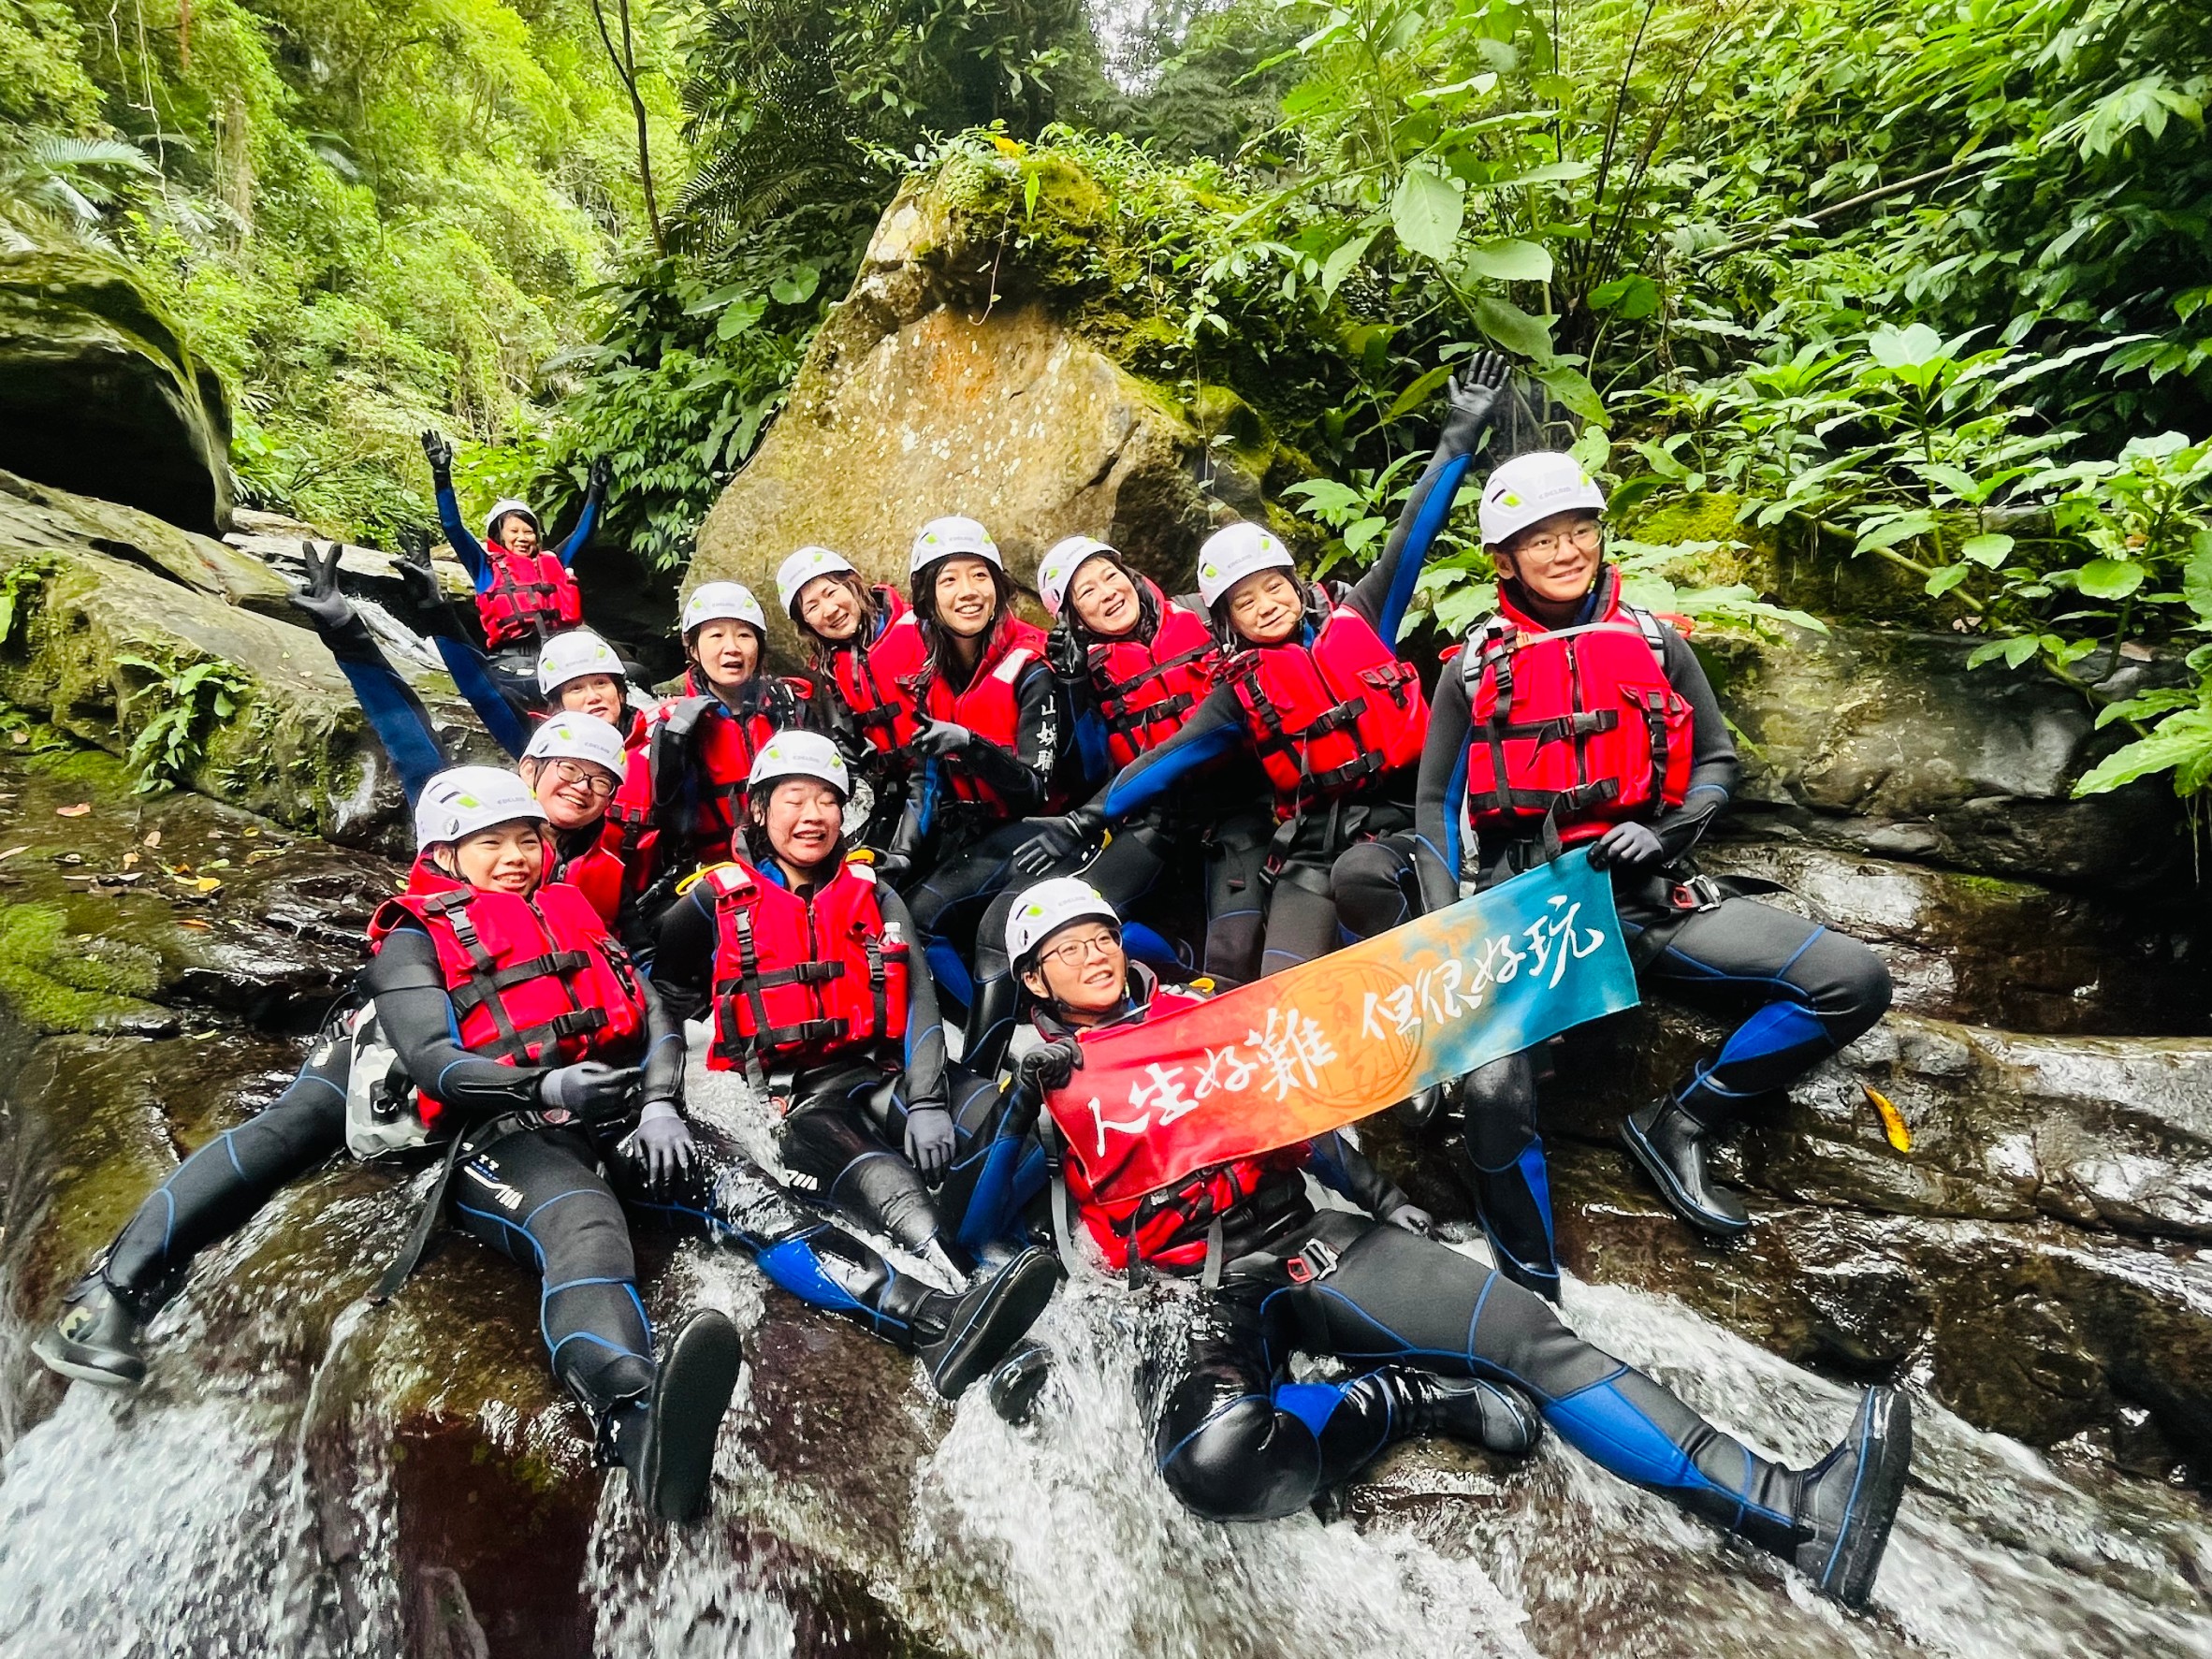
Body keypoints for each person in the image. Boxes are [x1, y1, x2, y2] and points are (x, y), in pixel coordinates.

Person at [997, 878, 1914, 1612]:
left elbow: (1312, 1121)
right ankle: (1410, 1402)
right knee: (1213, 1466)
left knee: (1534, 1339)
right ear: (1035, 981)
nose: (1092, 955)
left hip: (1299, 1241)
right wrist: (1021, 1111)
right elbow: (981, 1207)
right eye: (1065, 951)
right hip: (1179, 1301)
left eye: (1100, 936)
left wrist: (1387, 1197)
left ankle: (1795, 1515)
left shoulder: (1207, 1022)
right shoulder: (1028, 1077)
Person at [36, 766, 741, 1521]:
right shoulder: (414, 937)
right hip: (423, 1083)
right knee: (288, 1134)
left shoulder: (565, 907)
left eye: (525, 840)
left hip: (538, 1095)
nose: (514, 856)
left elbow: (649, 1006)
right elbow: (434, 1058)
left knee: (606, 1212)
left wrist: (659, 1097)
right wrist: (546, 1088)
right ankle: (113, 1289)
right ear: (445, 855)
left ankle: (648, 1434)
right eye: (491, 843)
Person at [1330, 452, 1893, 1293]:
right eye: (1542, 539)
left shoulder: (1654, 642)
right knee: (1490, 1086)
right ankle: (1533, 1294)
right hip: (1534, 914)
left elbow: (1715, 763)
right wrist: (1450, 936)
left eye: (1579, 531)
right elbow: (1437, 810)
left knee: (1852, 980)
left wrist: (1664, 835)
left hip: (1647, 895)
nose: (1566, 551)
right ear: (1504, 559)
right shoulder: (1471, 669)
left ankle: (1680, 1124)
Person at [1055, 355, 1509, 980]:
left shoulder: (1364, 614)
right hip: (1313, 847)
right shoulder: (1239, 694)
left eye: (1274, 588)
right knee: (1278, 986)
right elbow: (1161, 762)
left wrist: (1462, 429)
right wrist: (1084, 816)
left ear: (1297, 586)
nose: (1266, 606)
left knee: (1369, 903)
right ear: (1227, 622)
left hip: (1405, 820)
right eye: (1245, 601)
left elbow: (1412, 532)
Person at [653, 733, 1051, 1273]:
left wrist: (929, 1098)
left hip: (881, 1069)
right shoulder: (712, 898)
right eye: (793, 801)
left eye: (826, 801)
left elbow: (918, 997)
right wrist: (660, 1094)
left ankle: (1010, 1248)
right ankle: (962, 1286)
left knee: (1015, 1135)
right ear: (762, 811)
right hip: (793, 1099)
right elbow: (666, 996)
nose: (811, 816)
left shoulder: (874, 892)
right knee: (889, 1184)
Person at [889, 517, 1063, 1016]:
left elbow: (1034, 788)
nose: (968, 592)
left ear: (999, 587)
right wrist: (901, 855)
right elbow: (926, 783)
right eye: (949, 580)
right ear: (928, 598)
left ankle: (994, 1043)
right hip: (974, 833)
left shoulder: (1033, 668)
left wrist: (971, 744)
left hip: (1039, 832)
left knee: (922, 922)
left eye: (979, 576)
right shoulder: (930, 676)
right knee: (895, 910)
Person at [611, 582, 814, 925]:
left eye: (744, 636)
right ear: (693, 648)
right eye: (716, 636)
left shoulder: (789, 707)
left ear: (760, 646)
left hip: (793, 863)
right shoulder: (672, 725)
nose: (731, 648)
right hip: (709, 875)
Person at [777, 544, 924, 849]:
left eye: (831, 593)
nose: (829, 610)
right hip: (895, 787)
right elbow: (846, 745)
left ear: (853, 585)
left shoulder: (921, 627)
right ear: (806, 624)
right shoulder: (831, 669)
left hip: (943, 774)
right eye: (812, 607)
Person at [420, 431, 607, 662]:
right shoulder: (484, 568)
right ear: (499, 537)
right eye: (514, 531)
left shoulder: (553, 561)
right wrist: (441, 476)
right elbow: (453, 527)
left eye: (528, 532)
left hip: (561, 651)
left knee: (634, 672)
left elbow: (582, 533)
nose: (522, 537)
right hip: (512, 656)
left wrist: (596, 493)